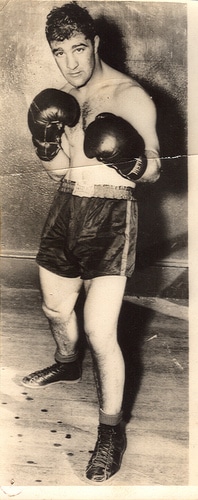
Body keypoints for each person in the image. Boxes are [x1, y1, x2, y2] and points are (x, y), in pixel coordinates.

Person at [23, 1, 161, 484]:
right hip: (65, 210)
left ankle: (110, 431)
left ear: (95, 43)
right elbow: (60, 169)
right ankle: (66, 363)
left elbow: (156, 168)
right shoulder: (60, 96)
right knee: (57, 311)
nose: (71, 63)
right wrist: (45, 144)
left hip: (111, 216)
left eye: (79, 49)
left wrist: (128, 157)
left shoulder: (131, 95)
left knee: (101, 331)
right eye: (60, 53)